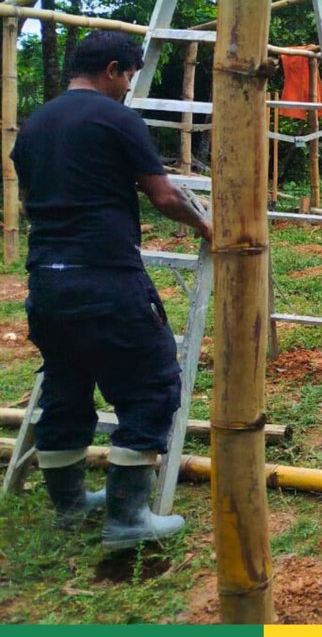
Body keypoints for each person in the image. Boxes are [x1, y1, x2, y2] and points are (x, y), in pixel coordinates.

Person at [11, 30, 213, 550]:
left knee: (66, 386)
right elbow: (164, 195)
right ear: (113, 70)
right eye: (128, 77)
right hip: (106, 276)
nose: (128, 88)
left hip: (47, 283)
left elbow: (34, 197)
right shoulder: (116, 119)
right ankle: (127, 519)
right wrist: (209, 228)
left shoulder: (35, 124)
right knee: (152, 384)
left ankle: (71, 505)